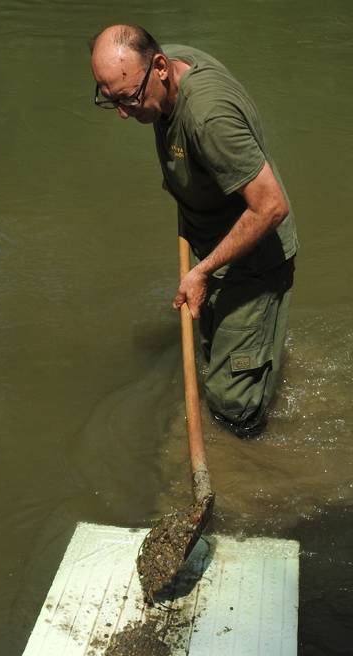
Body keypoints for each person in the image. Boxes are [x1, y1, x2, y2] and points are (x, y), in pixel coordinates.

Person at [90, 24, 298, 438]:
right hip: (213, 240)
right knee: (214, 356)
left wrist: (201, 273)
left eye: (129, 99)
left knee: (232, 402)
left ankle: (256, 461)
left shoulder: (209, 118)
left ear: (162, 68)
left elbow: (271, 206)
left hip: (253, 259)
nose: (123, 113)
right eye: (110, 99)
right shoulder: (161, 69)